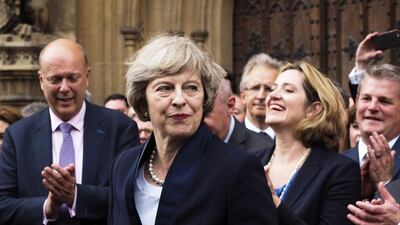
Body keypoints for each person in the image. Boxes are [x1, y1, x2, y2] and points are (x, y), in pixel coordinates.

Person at [108, 33, 278, 225]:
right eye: (165, 88)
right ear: (142, 100)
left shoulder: (237, 169)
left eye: (191, 87)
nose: (180, 100)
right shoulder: (123, 166)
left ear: (205, 98)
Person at [0, 38, 140, 225]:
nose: (64, 88)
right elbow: (3, 206)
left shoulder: (119, 128)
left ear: (87, 77)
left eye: (72, 78)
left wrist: (76, 196)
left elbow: (131, 196)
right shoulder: (18, 136)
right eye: (55, 79)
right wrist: (47, 208)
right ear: (41, 80)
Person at [264, 61, 361, 224]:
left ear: (313, 109)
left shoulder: (340, 171)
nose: (273, 95)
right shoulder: (250, 161)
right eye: (273, 89)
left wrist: (274, 202)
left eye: (288, 90)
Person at [343, 64, 400, 198]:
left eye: (384, 101)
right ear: (357, 102)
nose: (372, 107)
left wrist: (385, 184)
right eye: (366, 99)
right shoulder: (337, 162)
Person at [204, 78, 273, 163]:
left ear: (230, 106)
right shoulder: (188, 144)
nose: (197, 122)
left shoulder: (263, 150)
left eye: (206, 113)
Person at [239, 53, 281, 140]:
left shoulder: (293, 141)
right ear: (243, 96)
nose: (261, 96)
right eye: (255, 88)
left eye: (269, 89)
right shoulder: (230, 141)